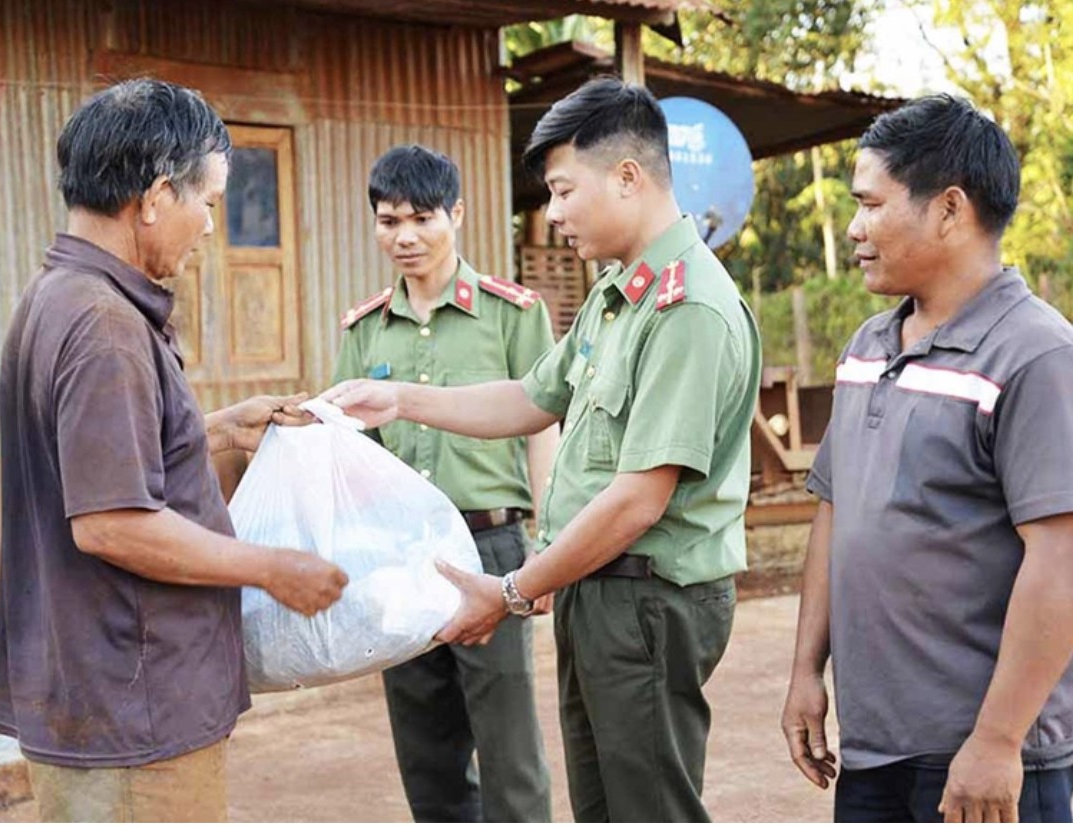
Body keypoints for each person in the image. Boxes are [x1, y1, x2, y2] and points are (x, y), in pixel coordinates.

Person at [323, 78, 762, 822]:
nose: (552, 214)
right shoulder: (618, 292)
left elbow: (638, 499)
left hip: (647, 598)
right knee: (601, 808)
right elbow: (532, 398)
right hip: (599, 589)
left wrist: (514, 589)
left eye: (562, 191)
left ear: (627, 176)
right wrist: (400, 399)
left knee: (647, 810)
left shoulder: (688, 308)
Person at [0, 79, 347, 823]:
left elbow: (92, 459)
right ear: (154, 197)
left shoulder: (59, 296)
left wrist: (215, 429)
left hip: (94, 692)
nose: (211, 227)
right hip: (134, 709)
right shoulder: (105, 326)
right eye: (209, 203)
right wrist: (276, 569)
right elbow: (111, 522)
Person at [781, 94, 1073, 823]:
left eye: (871, 205)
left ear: (948, 209)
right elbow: (835, 513)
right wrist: (804, 673)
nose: (854, 228)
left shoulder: (1036, 355)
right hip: (878, 748)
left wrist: (998, 740)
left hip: (984, 757)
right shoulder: (867, 347)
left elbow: (1060, 562)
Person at [332, 144, 555, 822]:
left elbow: (543, 424)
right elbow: (352, 448)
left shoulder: (512, 313)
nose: (404, 237)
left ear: (456, 214)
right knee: (426, 748)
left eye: (422, 218)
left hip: (490, 548)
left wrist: (548, 542)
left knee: (508, 743)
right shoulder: (364, 327)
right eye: (388, 220)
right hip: (401, 556)